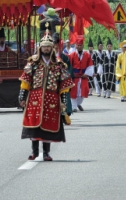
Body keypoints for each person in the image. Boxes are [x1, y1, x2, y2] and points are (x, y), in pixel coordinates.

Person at [18, 30, 74, 161]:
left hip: (51, 100)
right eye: (44, 46)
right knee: (34, 127)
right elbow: (25, 81)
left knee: (48, 127)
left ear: (52, 48)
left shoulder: (59, 65)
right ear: (40, 48)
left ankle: (46, 153)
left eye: (49, 46)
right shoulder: (33, 63)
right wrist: (22, 97)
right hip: (34, 99)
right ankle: (34, 152)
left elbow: (64, 86)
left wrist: (63, 101)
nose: (46, 48)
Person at [69, 35, 94, 112]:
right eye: (78, 45)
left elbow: (90, 65)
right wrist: (70, 75)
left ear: (83, 46)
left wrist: (87, 74)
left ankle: (77, 104)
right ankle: (74, 107)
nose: (79, 47)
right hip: (75, 77)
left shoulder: (87, 55)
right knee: (73, 92)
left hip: (83, 76)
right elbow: (69, 66)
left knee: (83, 92)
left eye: (80, 45)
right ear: (76, 45)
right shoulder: (72, 55)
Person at [52, 33, 73, 116]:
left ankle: (66, 111)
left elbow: (69, 68)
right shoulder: (49, 56)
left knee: (65, 95)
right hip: (52, 79)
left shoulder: (63, 57)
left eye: (56, 43)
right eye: (53, 44)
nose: (55, 46)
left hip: (62, 79)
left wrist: (67, 77)